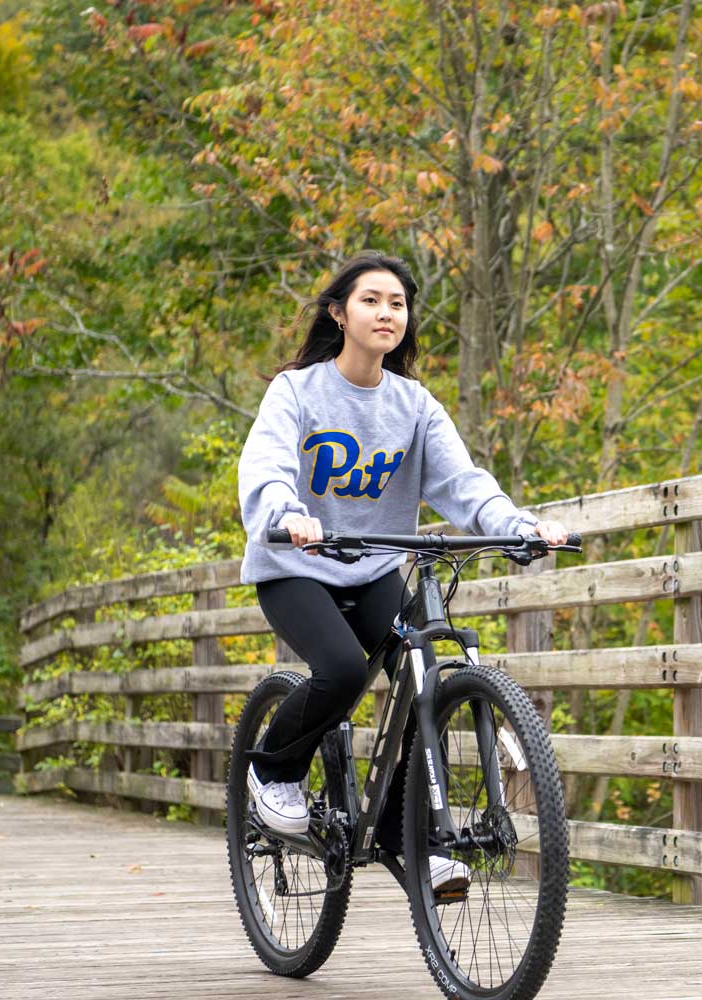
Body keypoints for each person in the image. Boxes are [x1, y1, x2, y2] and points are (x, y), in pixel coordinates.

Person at [236, 250, 569, 893]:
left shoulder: (414, 404)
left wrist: (517, 526)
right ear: (339, 312)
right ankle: (273, 773)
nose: (386, 313)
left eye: (397, 303)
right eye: (370, 300)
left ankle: (403, 836)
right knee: (340, 671)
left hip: (373, 567)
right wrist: (286, 513)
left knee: (425, 675)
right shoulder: (296, 392)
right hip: (295, 562)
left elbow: (462, 483)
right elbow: (267, 467)